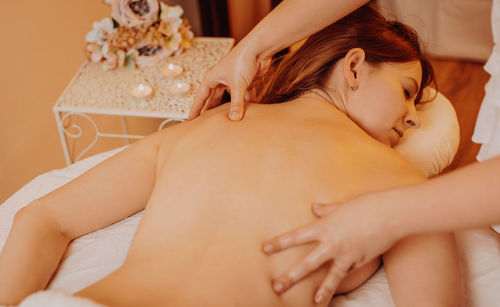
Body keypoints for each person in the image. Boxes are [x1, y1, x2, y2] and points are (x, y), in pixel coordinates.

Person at [0, 5, 462, 307]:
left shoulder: (204, 128)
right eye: (406, 92)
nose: (413, 119)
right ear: (355, 67)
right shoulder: (399, 181)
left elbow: (41, 219)